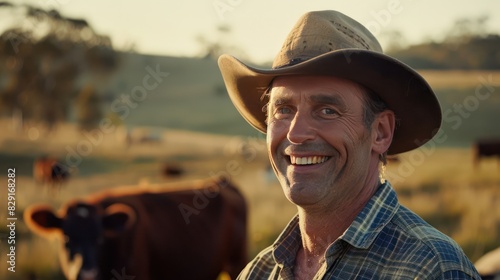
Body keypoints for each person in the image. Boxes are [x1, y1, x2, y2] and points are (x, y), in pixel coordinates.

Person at [218, 10, 481, 279]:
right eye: (283, 110)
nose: (296, 134)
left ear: (380, 132)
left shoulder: (432, 269)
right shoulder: (258, 272)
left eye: (327, 110)